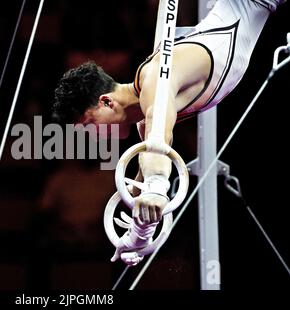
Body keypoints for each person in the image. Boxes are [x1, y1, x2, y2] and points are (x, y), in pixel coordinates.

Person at [52, 0, 286, 264]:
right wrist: (137, 236)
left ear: (107, 101)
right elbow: (144, 177)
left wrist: (156, 186)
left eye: (89, 125)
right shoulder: (146, 118)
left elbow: (157, 145)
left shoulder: (154, 82)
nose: (92, 136)